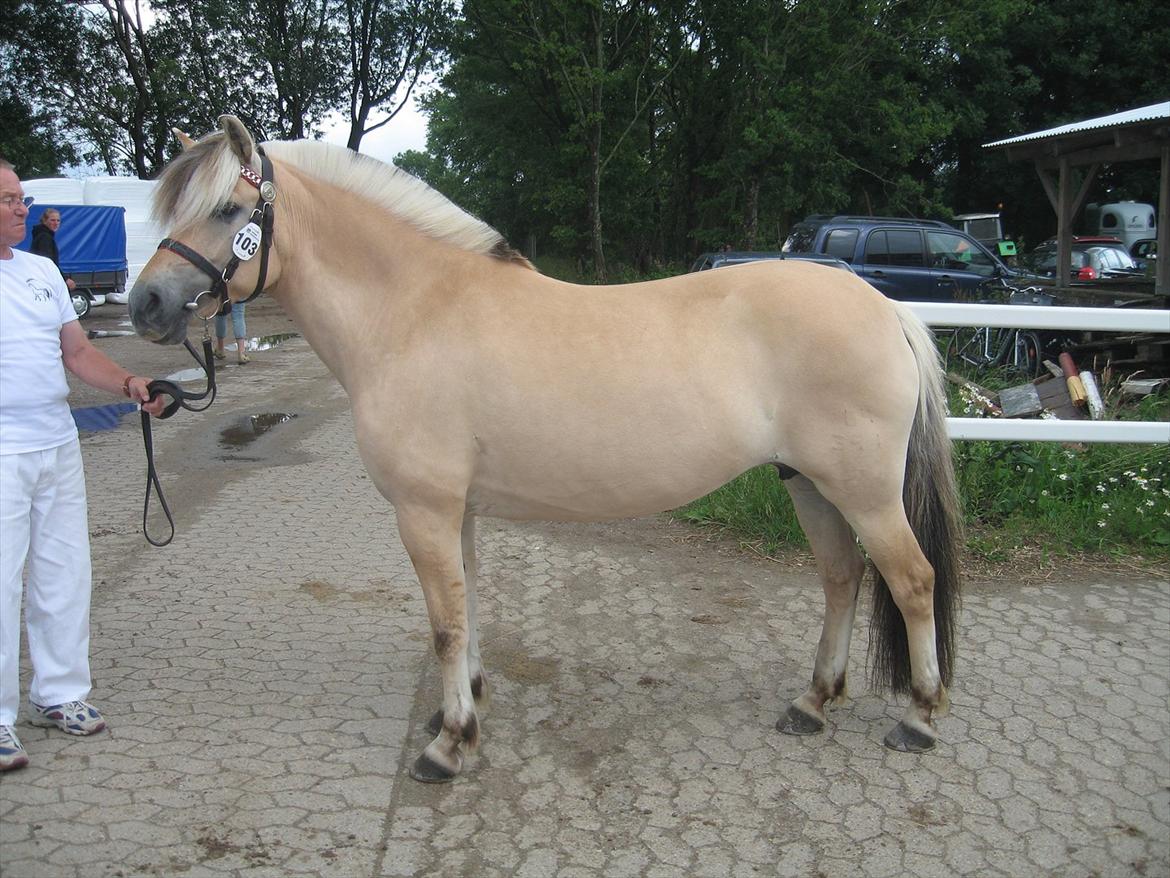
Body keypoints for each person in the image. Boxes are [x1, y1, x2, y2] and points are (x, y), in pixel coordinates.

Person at [0, 158, 166, 772]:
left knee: (63, 570)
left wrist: (127, 381)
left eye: (21, 198)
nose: (22, 208)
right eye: (9, 200)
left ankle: (62, 693)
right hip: (2, 452)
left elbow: (77, 350)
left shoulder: (42, 270)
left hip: (56, 442)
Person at [28, 208, 77, 295]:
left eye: (58, 220)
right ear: (44, 221)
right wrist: (64, 279)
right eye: (52, 220)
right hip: (44, 280)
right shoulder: (45, 237)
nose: (56, 223)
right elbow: (48, 263)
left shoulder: (41, 235)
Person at [214, 300, 249, 364]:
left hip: (223, 291)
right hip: (238, 291)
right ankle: (241, 354)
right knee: (238, 314)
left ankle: (220, 349)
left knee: (220, 314)